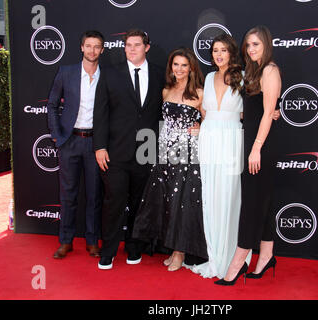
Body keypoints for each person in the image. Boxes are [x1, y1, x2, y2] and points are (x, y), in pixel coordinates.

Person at [215, 25, 282, 285]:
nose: (251, 49)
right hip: (252, 143)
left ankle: (237, 263)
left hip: (260, 147)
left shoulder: (270, 70)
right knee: (263, 205)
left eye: (256, 44)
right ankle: (266, 257)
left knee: (252, 206)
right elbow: (257, 111)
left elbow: (267, 114)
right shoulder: (255, 71)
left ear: (266, 44)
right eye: (248, 45)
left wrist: (256, 148)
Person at [93, 29, 165, 270]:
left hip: (147, 150)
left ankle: (134, 247)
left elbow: (170, 108)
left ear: (147, 47)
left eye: (136, 45)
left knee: (139, 203)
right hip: (115, 151)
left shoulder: (158, 74)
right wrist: (100, 146)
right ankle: (109, 251)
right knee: (113, 203)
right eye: (127, 45)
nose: (131, 49)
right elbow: (100, 113)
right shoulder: (110, 74)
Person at [132, 48, 208, 272]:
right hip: (165, 152)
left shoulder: (200, 93)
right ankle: (169, 246)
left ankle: (179, 252)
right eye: (176, 65)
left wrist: (200, 127)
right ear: (171, 67)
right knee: (165, 201)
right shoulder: (166, 91)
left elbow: (212, 120)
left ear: (191, 68)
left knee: (182, 203)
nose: (180, 69)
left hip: (187, 154)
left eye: (184, 65)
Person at [185, 34, 251, 279]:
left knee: (231, 197)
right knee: (211, 198)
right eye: (215, 50)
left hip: (232, 140)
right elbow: (205, 113)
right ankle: (215, 257)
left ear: (232, 52)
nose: (219, 54)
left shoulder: (244, 78)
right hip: (209, 140)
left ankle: (233, 257)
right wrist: (201, 127)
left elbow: (251, 112)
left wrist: (272, 112)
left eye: (223, 50)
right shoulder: (209, 77)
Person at [47, 30, 104, 259]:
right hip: (69, 142)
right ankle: (66, 240)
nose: (92, 50)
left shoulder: (106, 76)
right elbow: (51, 105)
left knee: (94, 195)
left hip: (95, 144)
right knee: (68, 195)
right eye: (88, 46)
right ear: (81, 47)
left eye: (97, 46)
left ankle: (92, 241)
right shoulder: (66, 72)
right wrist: (56, 135)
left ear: (102, 49)